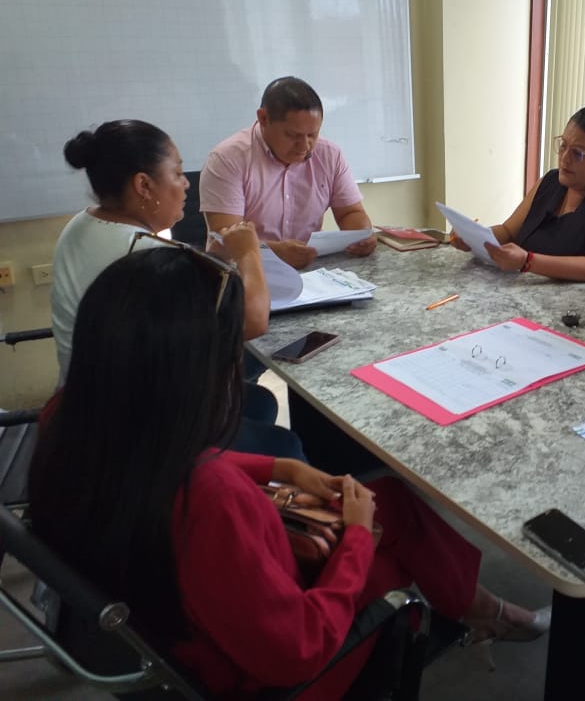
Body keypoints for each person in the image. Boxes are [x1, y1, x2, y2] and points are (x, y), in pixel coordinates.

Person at [29, 247, 549, 697]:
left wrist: (278, 467)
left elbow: (156, 462)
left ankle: (483, 610)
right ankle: (485, 614)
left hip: (164, 611)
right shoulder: (211, 501)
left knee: (390, 499)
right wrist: (356, 540)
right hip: (258, 677)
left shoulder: (69, 416)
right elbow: (299, 651)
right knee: (388, 547)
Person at [52, 119, 302, 460]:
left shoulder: (82, 223)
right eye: (178, 173)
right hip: (136, 430)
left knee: (258, 401)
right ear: (143, 185)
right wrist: (249, 252)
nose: (186, 185)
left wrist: (216, 258)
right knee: (285, 445)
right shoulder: (148, 256)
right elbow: (252, 322)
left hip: (83, 403)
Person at [450, 105, 585, 282]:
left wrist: (527, 262)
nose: (564, 158)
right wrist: (472, 236)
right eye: (563, 146)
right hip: (527, 290)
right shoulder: (551, 181)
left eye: (577, 153)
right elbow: (508, 231)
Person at [200, 76, 377, 270]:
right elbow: (224, 239)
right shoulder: (228, 159)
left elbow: (351, 212)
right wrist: (275, 252)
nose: (305, 146)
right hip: (245, 273)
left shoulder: (329, 155)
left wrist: (361, 235)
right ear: (263, 118)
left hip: (312, 272)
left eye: (313, 135)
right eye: (293, 135)